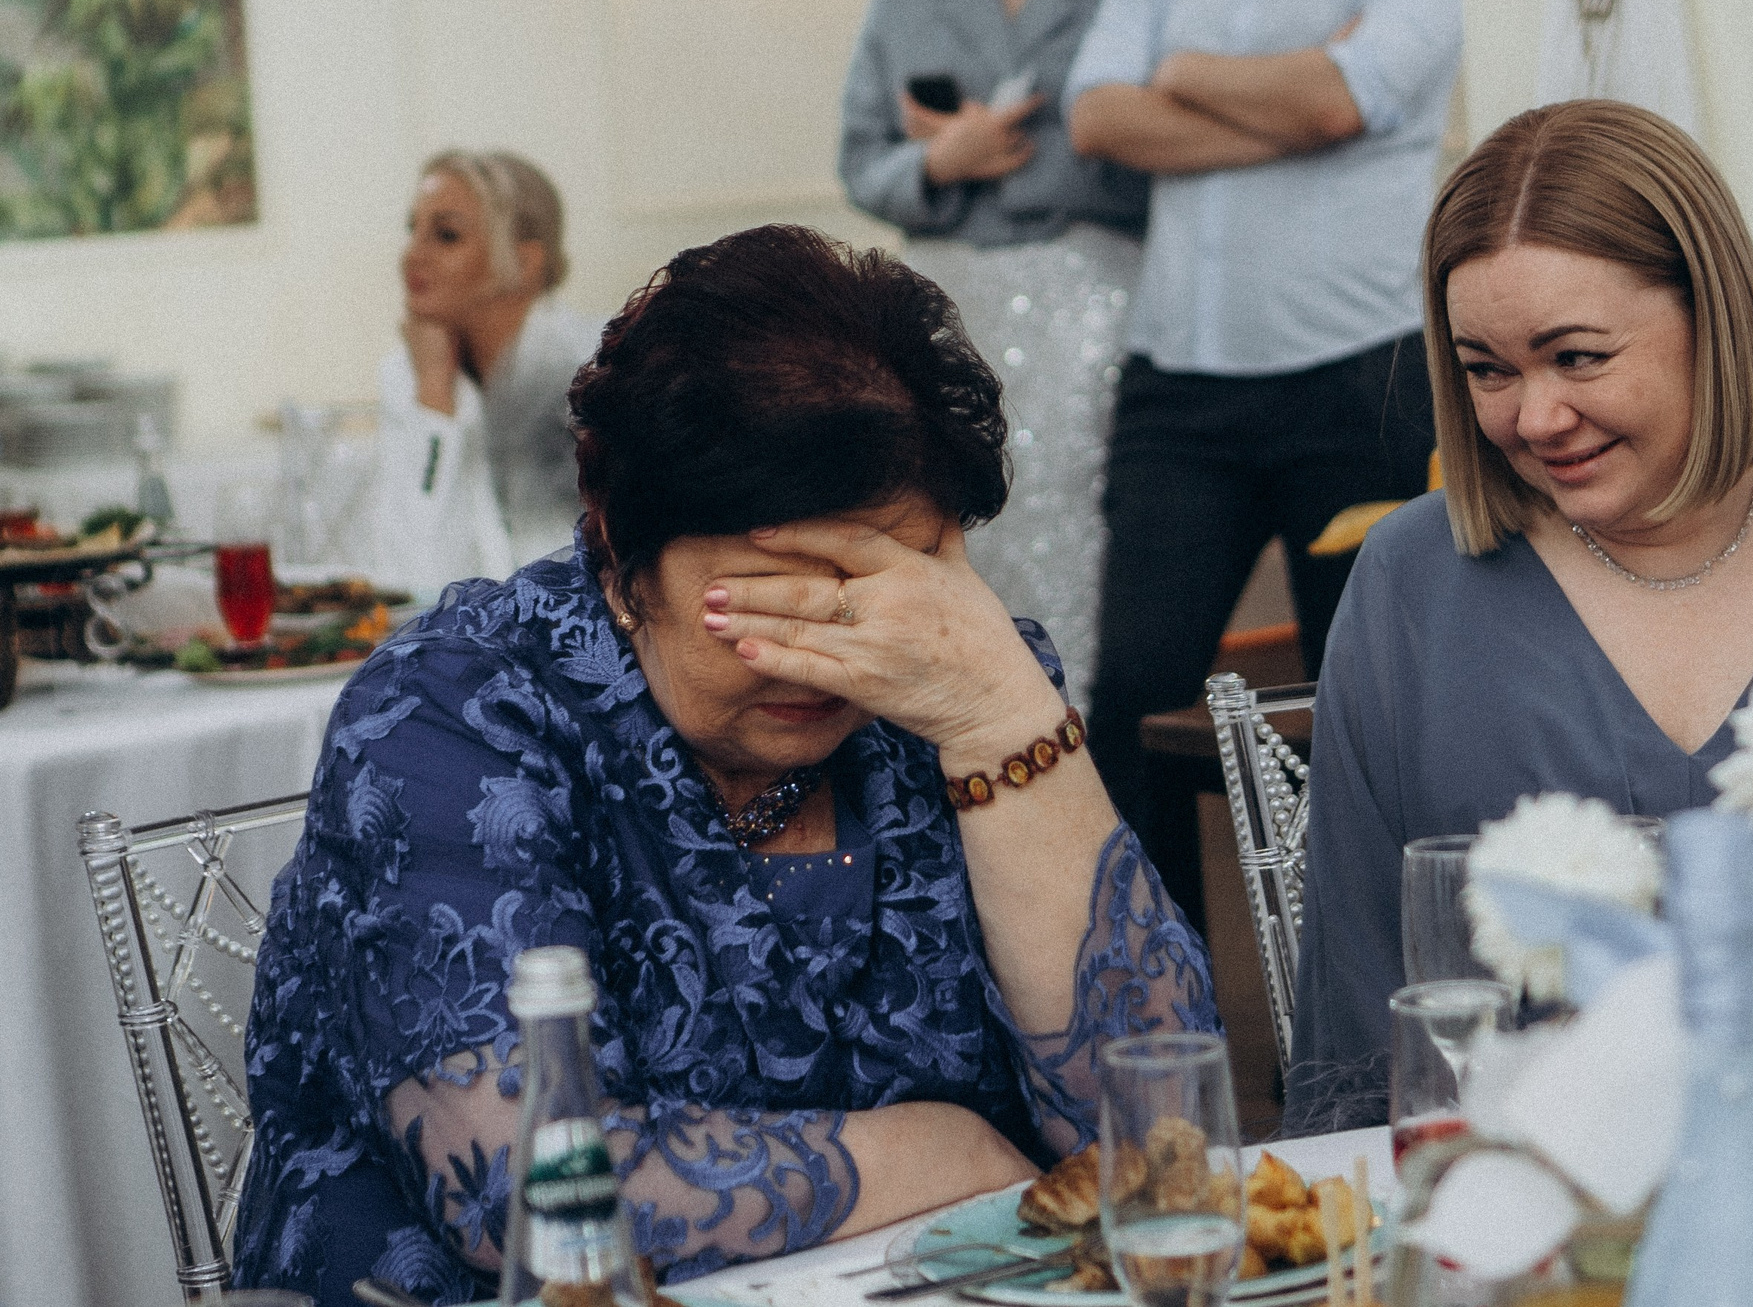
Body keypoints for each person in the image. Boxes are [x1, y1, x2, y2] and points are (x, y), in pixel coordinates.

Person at [233, 226, 1218, 1304]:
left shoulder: (947, 677)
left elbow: (1161, 1141)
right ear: (617, 553)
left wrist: (1000, 723)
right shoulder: (453, 719)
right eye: (768, 596)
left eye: (868, 585)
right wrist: (946, 1153)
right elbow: (518, 1187)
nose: (823, 650)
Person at [1283, 102, 1753, 1132]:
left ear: (1713, 316)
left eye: (1577, 356)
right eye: (1487, 370)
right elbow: (1362, 1020)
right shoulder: (1413, 585)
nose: (1534, 416)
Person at [1064, 0, 1460, 924]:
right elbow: (1100, 116)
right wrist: (1292, 108)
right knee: (1132, 697)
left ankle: (1365, 999)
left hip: (1361, 373)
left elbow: (1345, 96)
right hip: (1179, 380)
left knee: (1364, 708)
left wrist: (1193, 70)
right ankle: (1155, 991)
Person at [839, 0, 1145, 707]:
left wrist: (1036, 154)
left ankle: (1085, 766)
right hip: (952, 301)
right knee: (959, 526)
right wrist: (940, 158)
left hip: (1094, 293)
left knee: (1085, 535)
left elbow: (1166, 139)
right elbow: (859, 160)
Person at [375, 150, 600, 595]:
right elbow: (412, 579)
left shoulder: (593, 370)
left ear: (524, 262)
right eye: (412, 229)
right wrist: (435, 399)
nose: (412, 255)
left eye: (445, 235)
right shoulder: (411, 374)